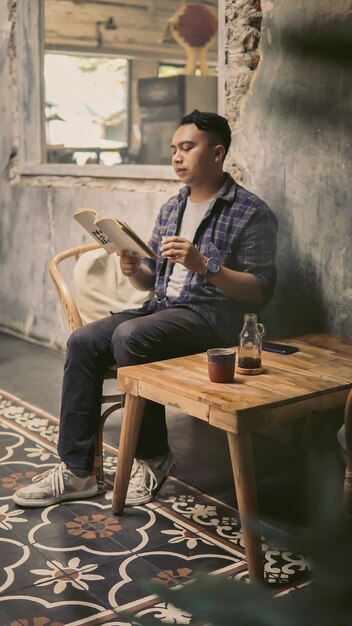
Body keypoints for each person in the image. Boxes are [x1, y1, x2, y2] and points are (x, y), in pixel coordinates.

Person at [13, 110, 278, 508]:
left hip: (210, 320)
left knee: (132, 336)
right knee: (84, 340)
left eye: (187, 147)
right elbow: (153, 281)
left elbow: (259, 291)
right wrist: (136, 269)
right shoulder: (173, 207)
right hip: (162, 308)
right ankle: (78, 473)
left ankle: (152, 456)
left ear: (218, 153)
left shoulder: (251, 212)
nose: (176, 156)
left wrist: (204, 265)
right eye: (173, 149)